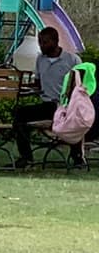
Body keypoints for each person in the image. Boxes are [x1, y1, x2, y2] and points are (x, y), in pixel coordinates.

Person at [17, 25, 87, 168]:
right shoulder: (40, 60)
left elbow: (81, 85)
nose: (42, 46)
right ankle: (26, 157)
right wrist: (22, 88)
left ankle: (77, 157)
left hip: (67, 105)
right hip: (48, 105)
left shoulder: (72, 60)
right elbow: (37, 84)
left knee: (75, 118)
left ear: (55, 41)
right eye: (40, 42)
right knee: (19, 114)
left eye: (45, 42)